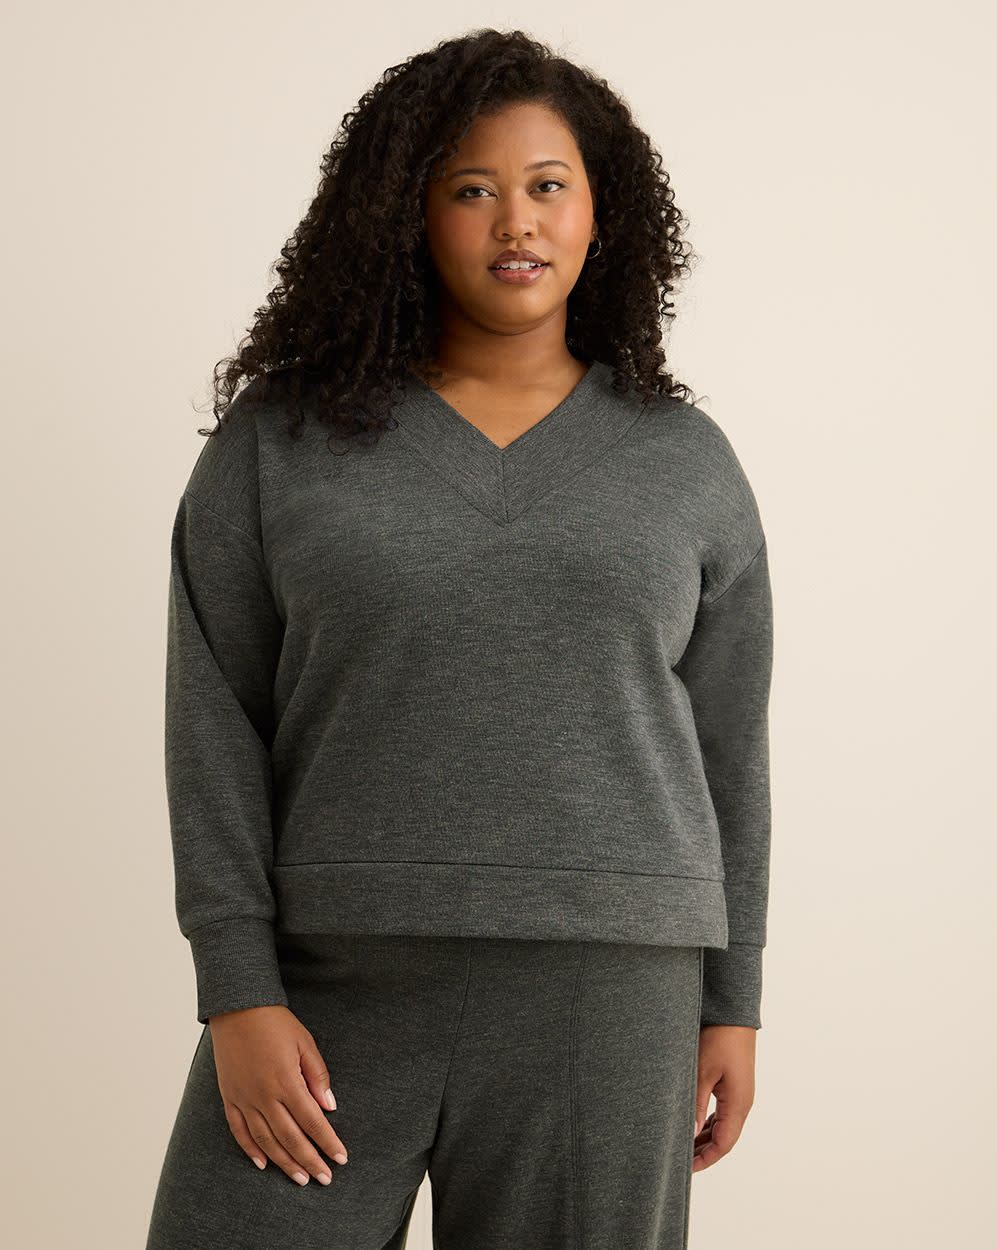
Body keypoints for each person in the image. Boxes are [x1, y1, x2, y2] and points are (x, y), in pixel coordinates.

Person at [145, 26, 774, 1250]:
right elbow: (212, 716)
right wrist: (235, 984)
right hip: (328, 985)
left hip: (608, 990)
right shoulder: (280, 443)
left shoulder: (685, 463)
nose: (515, 222)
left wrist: (733, 997)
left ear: (602, 212)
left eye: (548, 185)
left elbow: (729, 752)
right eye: (472, 189)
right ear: (409, 215)